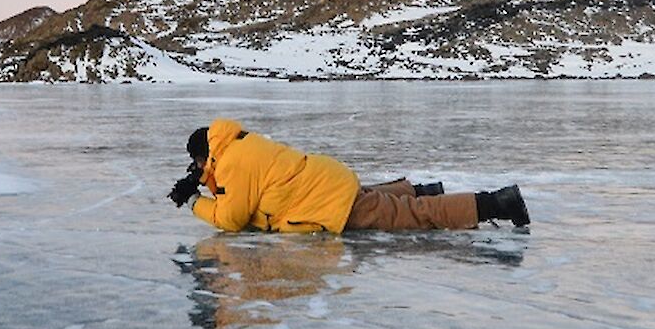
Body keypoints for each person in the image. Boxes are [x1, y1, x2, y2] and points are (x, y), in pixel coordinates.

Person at [168, 119, 530, 233]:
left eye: (198, 166)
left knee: (414, 217)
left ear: (204, 157)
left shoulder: (230, 163)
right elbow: (246, 193)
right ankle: (421, 189)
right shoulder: (238, 145)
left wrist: (196, 201)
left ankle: (496, 203)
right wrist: (208, 181)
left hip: (330, 203)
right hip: (327, 184)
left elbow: (232, 218)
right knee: (376, 199)